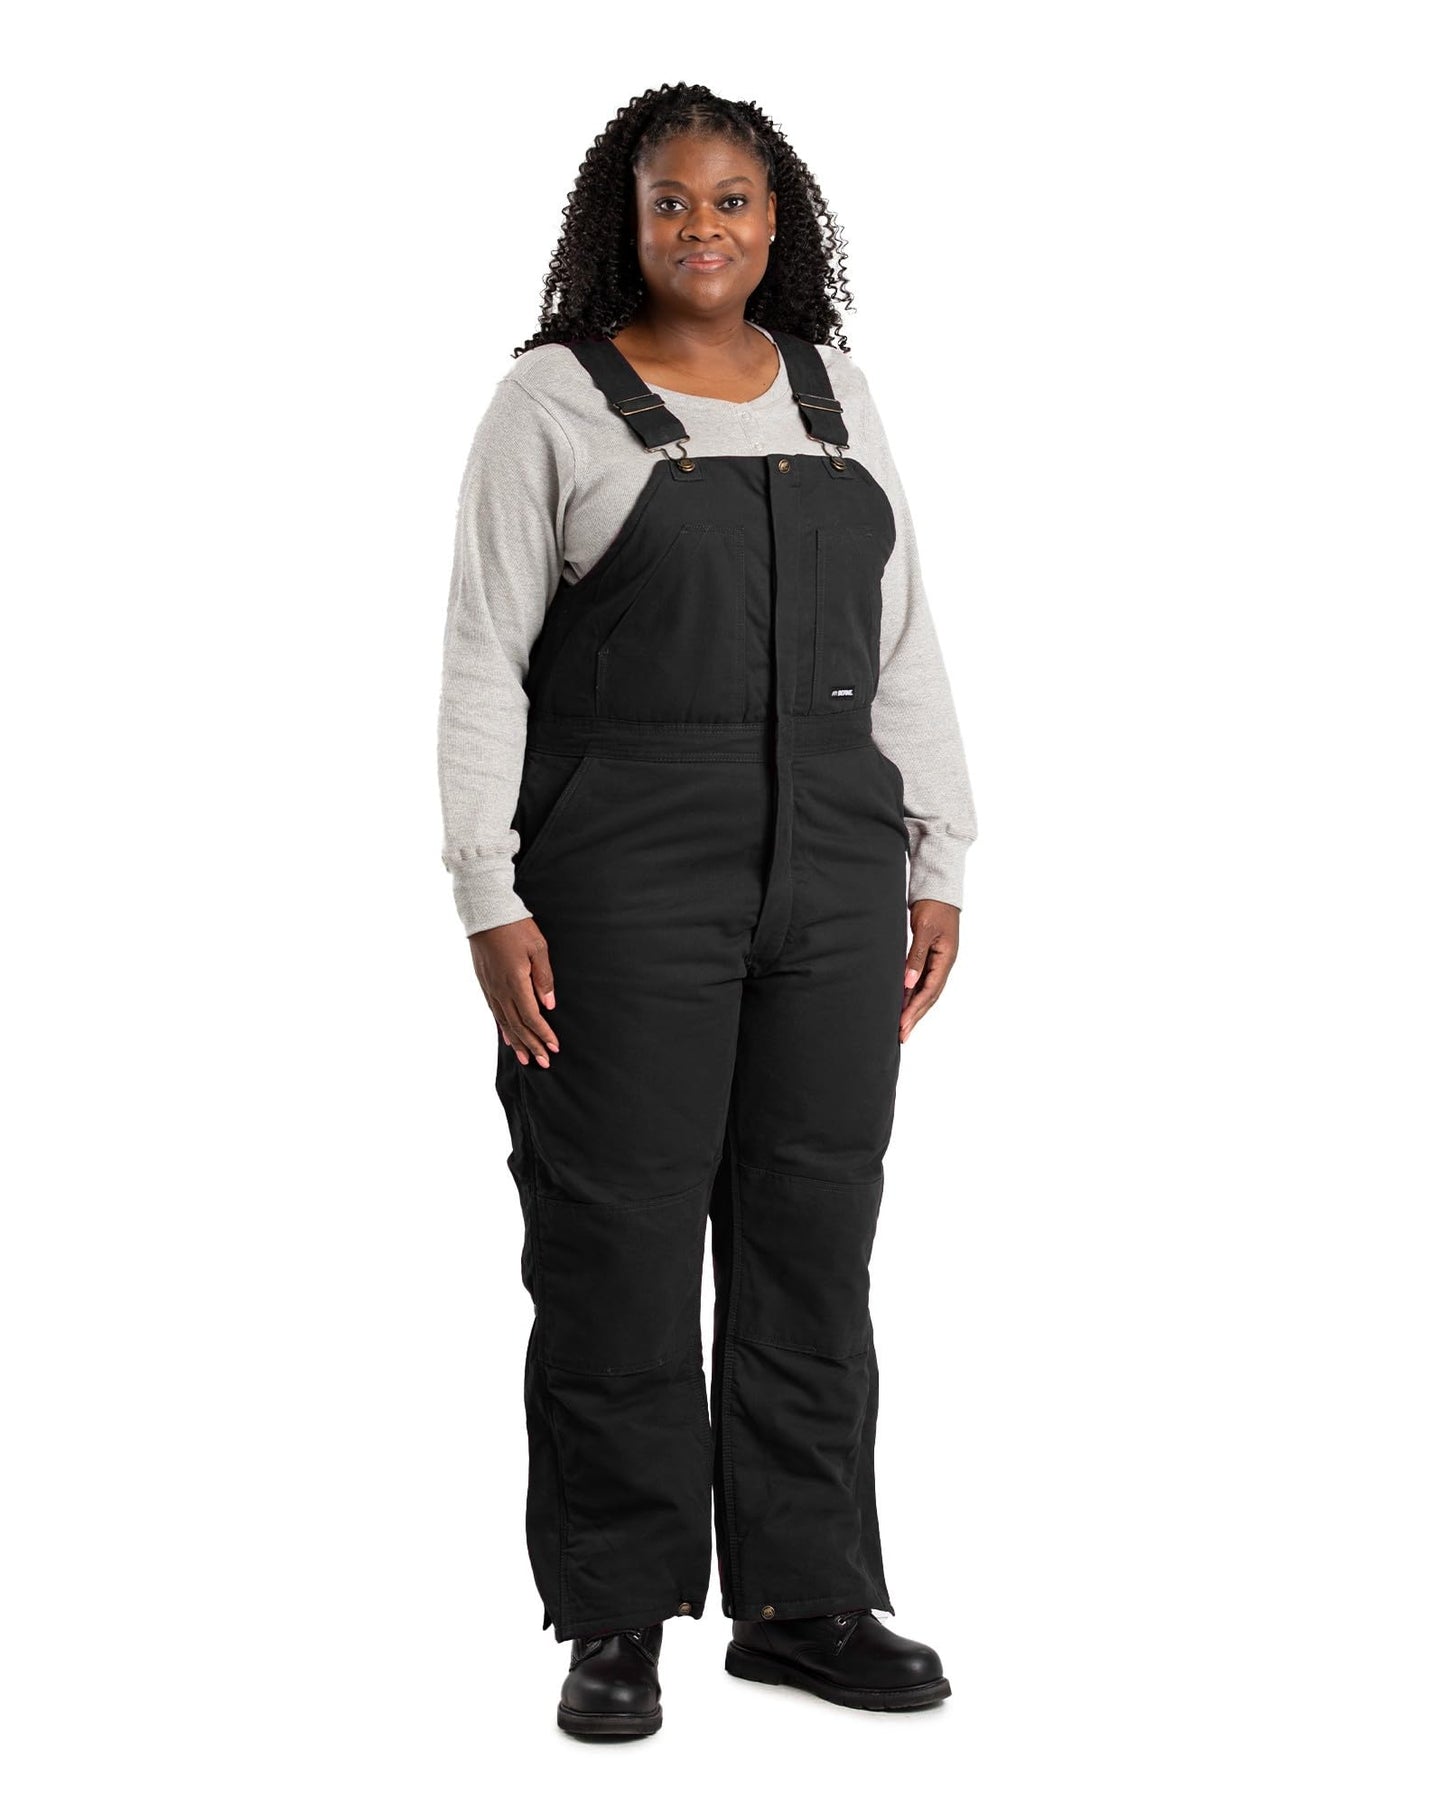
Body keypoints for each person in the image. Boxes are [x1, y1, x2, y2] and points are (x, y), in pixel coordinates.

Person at [437, 82, 977, 1737]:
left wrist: (939, 853)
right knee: (613, 1234)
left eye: (730, 199)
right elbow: (481, 658)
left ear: (774, 219)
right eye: (670, 200)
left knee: (812, 1230)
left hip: (834, 857)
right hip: (619, 874)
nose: (701, 228)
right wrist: (486, 889)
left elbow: (902, 637)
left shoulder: (833, 394)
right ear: (626, 220)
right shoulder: (551, 402)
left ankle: (806, 1598)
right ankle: (614, 1612)